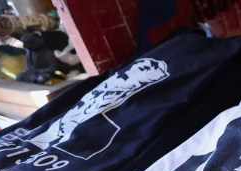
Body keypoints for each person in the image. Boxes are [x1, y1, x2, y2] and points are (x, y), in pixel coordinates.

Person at [28, 57, 169, 159]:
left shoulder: (132, 100)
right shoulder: (112, 81)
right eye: (138, 66)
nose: (134, 70)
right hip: (65, 127)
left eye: (143, 69)